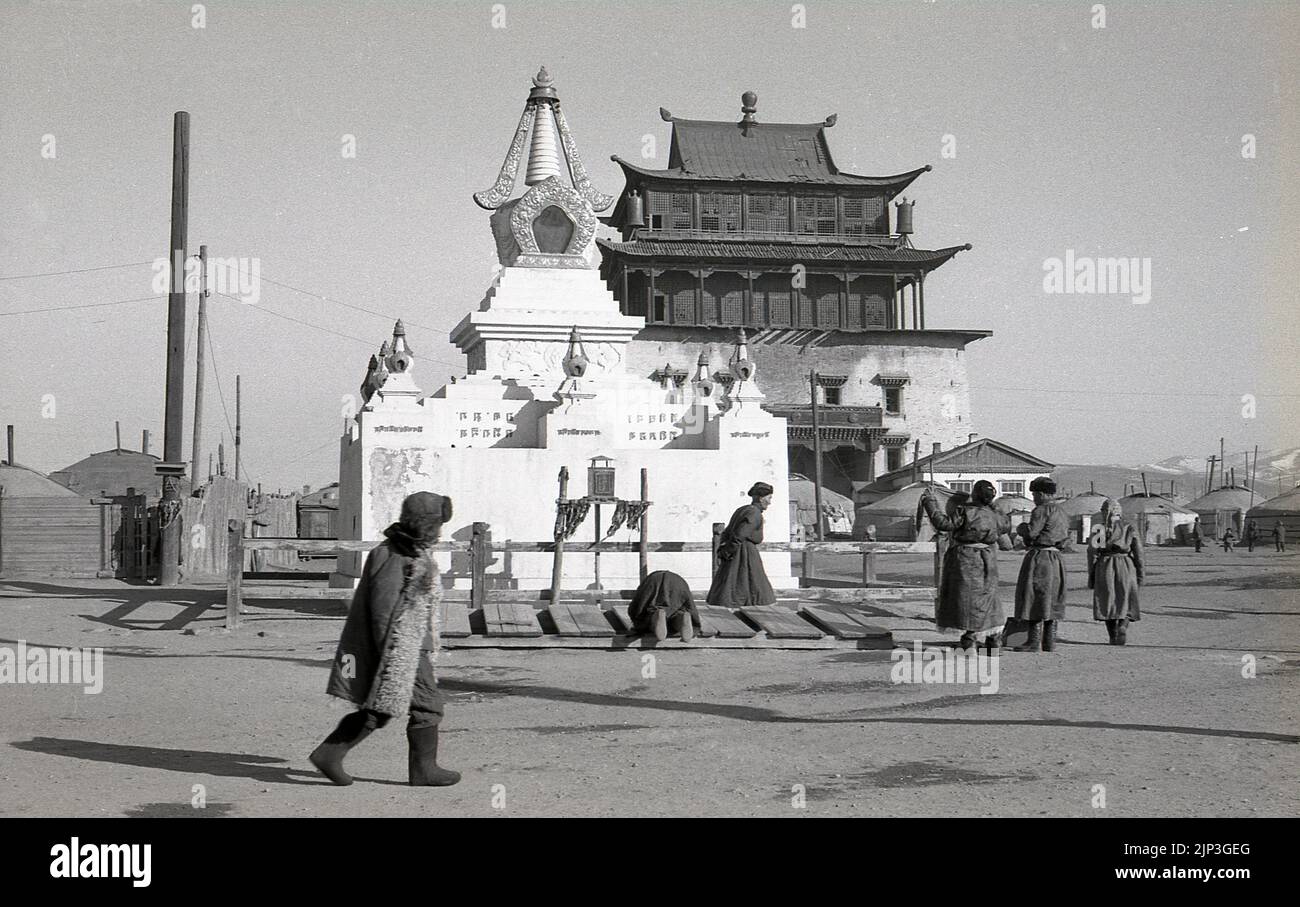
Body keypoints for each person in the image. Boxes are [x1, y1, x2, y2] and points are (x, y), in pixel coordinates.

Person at [309, 491, 460, 787]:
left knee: (380, 708)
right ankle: (423, 770)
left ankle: (330, 754)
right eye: (436, 525)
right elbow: (383, 610)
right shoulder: (392, 555)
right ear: (424, 524)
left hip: (413, 643)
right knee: (427, 705)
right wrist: (390, 656)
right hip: (401, 647)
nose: (440, 531)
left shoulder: (413, 551)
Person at [921, 480, 1009, 654]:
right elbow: (1005, 527)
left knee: (968, 600)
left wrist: (930, 502)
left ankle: (970, 642)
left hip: (966, 560)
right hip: (988, 559)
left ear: (975, 494)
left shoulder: (966, 511)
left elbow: (944, 524)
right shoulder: (996, 515)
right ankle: (994, 641)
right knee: (988, 598)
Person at [1012, 476, 1070, 653]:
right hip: (1057, 559)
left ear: (1043, 494)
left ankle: (1033, 642)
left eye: (1035, 494)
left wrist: (1021, 528)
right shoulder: (1062, 511)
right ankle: (1049, 642)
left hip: (1040, 557)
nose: (1034, 498)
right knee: (1052, 598)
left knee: (1034, 596)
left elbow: (1032, 533)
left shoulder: (1041, 510)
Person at [707, 482, 777, 608]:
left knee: (738, 585)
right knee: (748, 584)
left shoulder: (743, 510)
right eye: (769, 498)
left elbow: (727, 533)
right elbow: (740, 534)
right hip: (744, 554)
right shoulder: (754, 513)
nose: (770, 502)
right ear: (761, 498)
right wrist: (729, 551)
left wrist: (725, 549)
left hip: (739, 551)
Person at [1089, 498, 1143, 645]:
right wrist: (1140, 573)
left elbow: (1093, 553)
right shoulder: (1129, 527)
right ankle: (1123, 626)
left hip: (1105, 565)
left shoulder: (1098, 529)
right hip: (1126, 565)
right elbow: (1139, 552)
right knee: (1126, 598)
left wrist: (1092, 574)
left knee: (1108, 600)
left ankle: (1113, 636)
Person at [628, 570, 704, 641]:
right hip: (678, 582)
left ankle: (657, 615)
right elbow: (689, 604)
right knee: (678, 611)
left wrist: (637, 619)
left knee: (650, 615)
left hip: (653, 581)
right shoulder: (677, 578)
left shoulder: (649, 579)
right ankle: (682, 617)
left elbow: (637, 605)